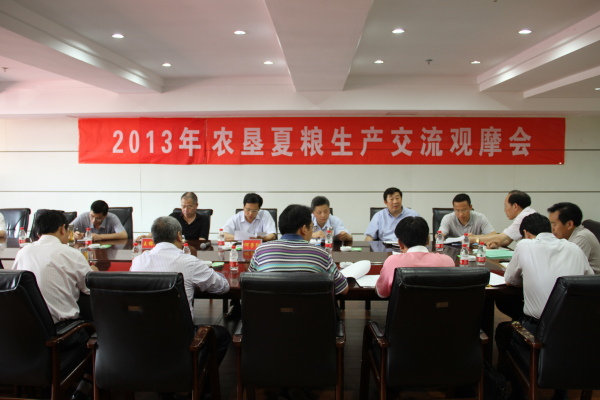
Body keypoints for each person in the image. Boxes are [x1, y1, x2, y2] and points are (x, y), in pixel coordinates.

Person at [498, 213, 593, 400]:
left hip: (539, 331)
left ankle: (520, 393)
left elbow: (510, 280)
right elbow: (588, 282)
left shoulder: (525, 245)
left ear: (526, 233)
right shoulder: (574, 248)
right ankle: (561, 394)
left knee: (504, 331)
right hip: (575, 333)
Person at [12, 210, 98, 400]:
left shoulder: (23, 252)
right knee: (98, 331)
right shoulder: (71, 254)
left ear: (38, 231)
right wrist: (93, 271)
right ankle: (83, 389)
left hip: (25, 336)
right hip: (60, 337)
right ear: (62, 229)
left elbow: (14, 285)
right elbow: (91, 288)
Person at [130, 216, 231, 366]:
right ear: (179, 235)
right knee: (223, 335)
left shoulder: (138, 261)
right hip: (180, 337)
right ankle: (197, 376)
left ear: (153, 238)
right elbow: (223, 287)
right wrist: (215, 273)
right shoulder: (188, 261)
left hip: (143, 334)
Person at [248, 204, 349, 296]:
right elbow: (343, 289)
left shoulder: (260, 251)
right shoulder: (321, 254)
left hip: (269, 310)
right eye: (311, 227)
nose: (312, 231)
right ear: (304, 229)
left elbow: (249, 284)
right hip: (309, 310)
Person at [376, 216, 455, 298]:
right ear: (428, 240)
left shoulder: (392, 262)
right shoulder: (447, 261)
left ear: (400, 244)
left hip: (405, 306)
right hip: (438, 306)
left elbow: (382, 293)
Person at [547, 202, 600, 275]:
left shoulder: (582, 238)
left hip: (592, 281)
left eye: (554, 225)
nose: (552, 229)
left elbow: (566, 266)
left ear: (569, 224)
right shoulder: (566, 236)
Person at [135, 192, 210, 242]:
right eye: (183, 206)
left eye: (189, 207)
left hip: (195, 251)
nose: (185, 210)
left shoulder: (203, 220)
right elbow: (160, 227)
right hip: (176, 250)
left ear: (196, 205)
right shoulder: (174, 216)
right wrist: (147, 236)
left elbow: (202, 241)